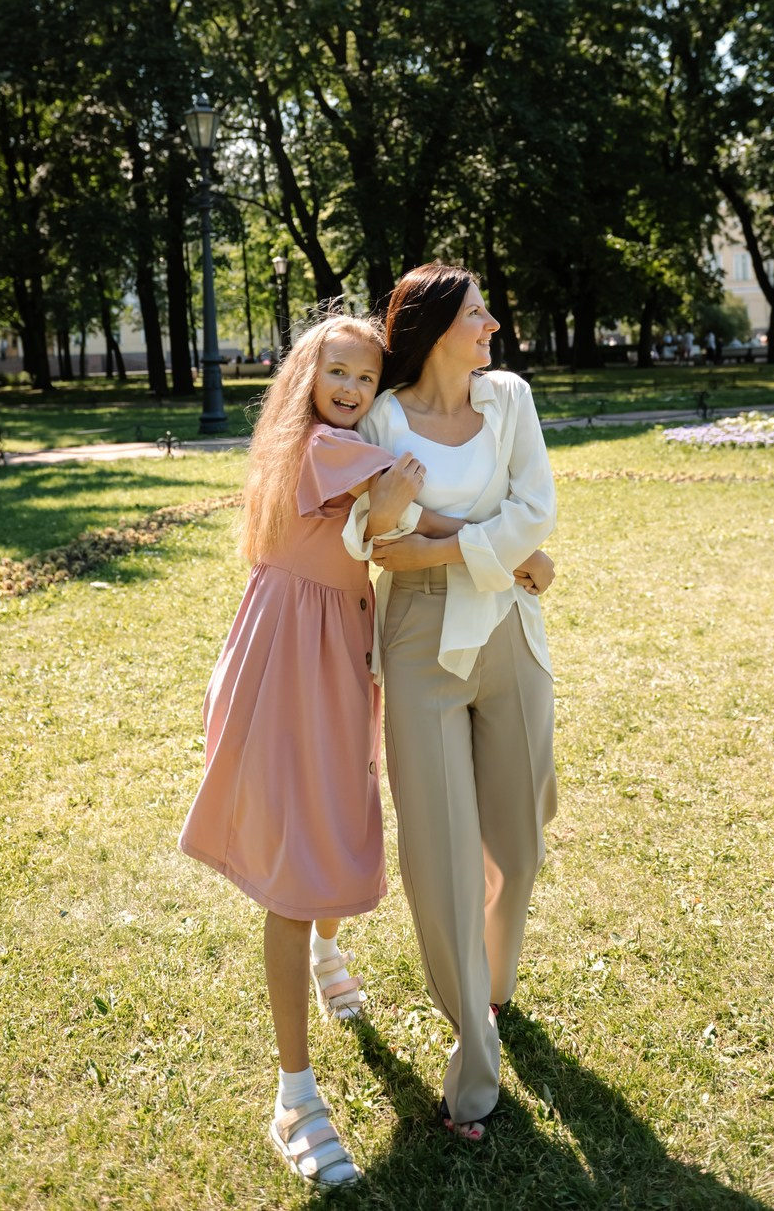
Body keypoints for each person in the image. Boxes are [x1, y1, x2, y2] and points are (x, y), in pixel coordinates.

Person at [177, 314, 438, 1189]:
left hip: (325, 657)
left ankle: (328, 954)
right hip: (290, 667)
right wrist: (498, 541)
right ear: (307, 374)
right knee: (296, 863)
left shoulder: (330, 447)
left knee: (335, 807)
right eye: (340, 372)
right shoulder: (327, 448)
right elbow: (412, 500)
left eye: (367, 379)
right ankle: (294, 1095)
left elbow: (390, 526)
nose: (354, 390)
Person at [346, 264, 557, 1142]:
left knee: (519, 840)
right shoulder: (386, 418)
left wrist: (442, 550)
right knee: (440, 861)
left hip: (509, 625)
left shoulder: (509, 398)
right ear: (436, 330)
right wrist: (488, 547)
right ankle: (474, 1064)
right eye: (478, 315)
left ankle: (495, 987)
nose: (495, 325)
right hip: (422, 644)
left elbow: (534, 510)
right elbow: (373, 530)